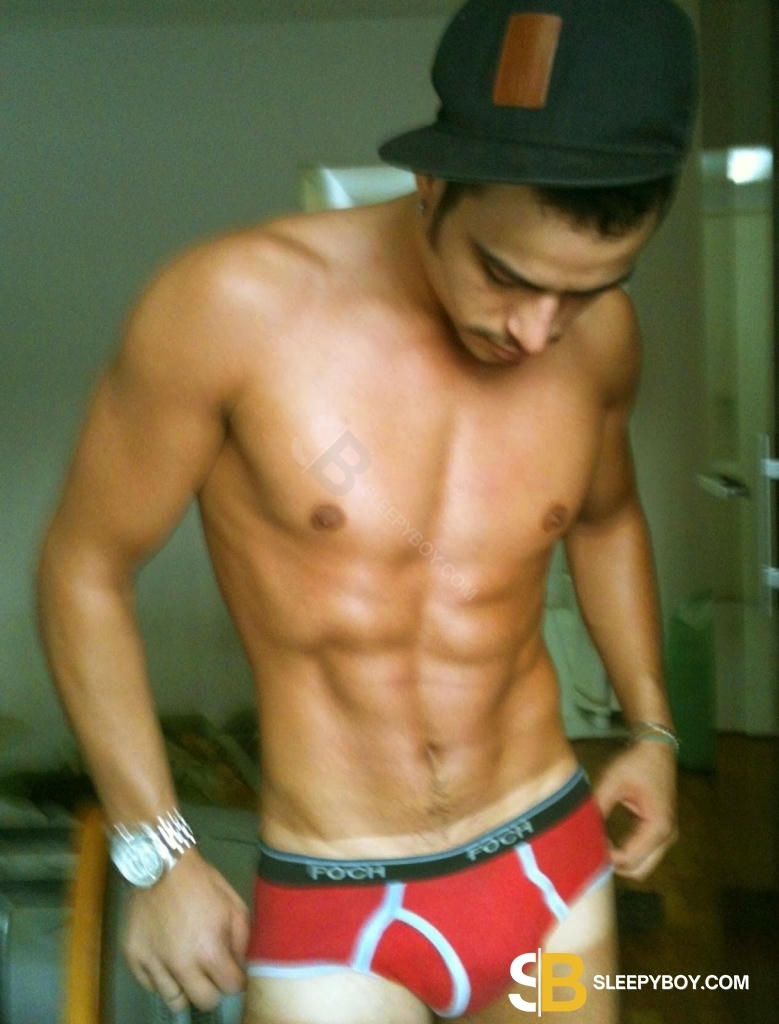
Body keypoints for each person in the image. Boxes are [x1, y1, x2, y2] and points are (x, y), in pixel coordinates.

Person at [36, 1, 698, 1021]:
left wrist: (649, 724)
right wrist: (154, 851)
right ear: (430, 184)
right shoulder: (229, 307)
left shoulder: (601, 339)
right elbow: (84, 569)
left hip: (551, 868)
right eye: (504, 274)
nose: (535, 332)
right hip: (338, 900)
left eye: (585, 290)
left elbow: (607, 520)